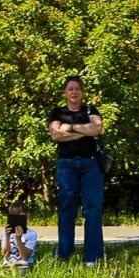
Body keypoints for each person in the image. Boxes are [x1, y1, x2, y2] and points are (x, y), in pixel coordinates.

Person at [48, 75, 105, 265]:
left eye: (77, 89)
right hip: (66, 166)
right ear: (65, 92)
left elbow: (96, 129)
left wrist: (71, 128)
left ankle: (93, 257)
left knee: (93, 210)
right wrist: (83, 132)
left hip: (91, 166)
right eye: (70, 89)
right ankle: (64, 253)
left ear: (82, 92)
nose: (74, 92)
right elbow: (56, 135)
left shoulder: (90, 110)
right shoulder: (57, 112)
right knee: (66, 209)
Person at [0, 200, 37, 270]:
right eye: (13, 215)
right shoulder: (7, 232)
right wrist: (7, 237)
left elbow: (25, 257)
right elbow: (4, 254)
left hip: (24, 264)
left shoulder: (31, 234)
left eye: (19, 215)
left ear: (27, 216)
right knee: (5, 266)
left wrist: (18, 240)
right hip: (8, 263)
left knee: (22, 266)